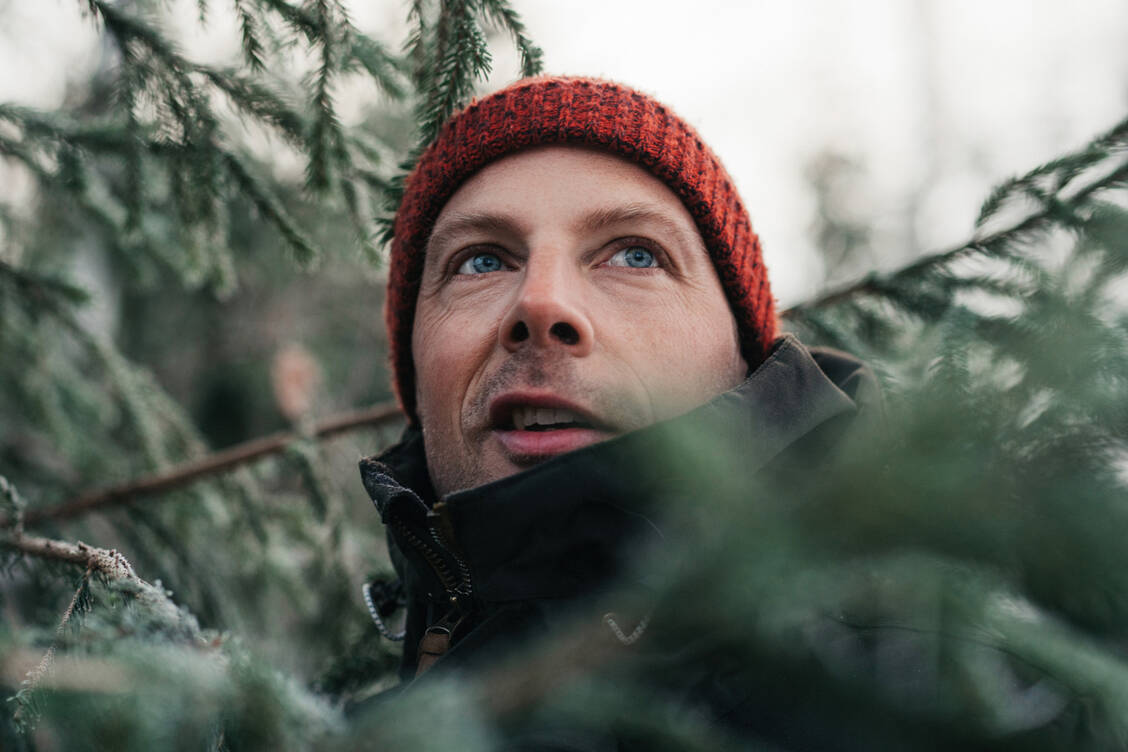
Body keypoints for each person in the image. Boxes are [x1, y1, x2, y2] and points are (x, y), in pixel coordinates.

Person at [358, 76, 881, 747]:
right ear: (416, 368)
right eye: (481, 260)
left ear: (742, 357)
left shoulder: (925, 686)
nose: (542, 304)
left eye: (637, 254)